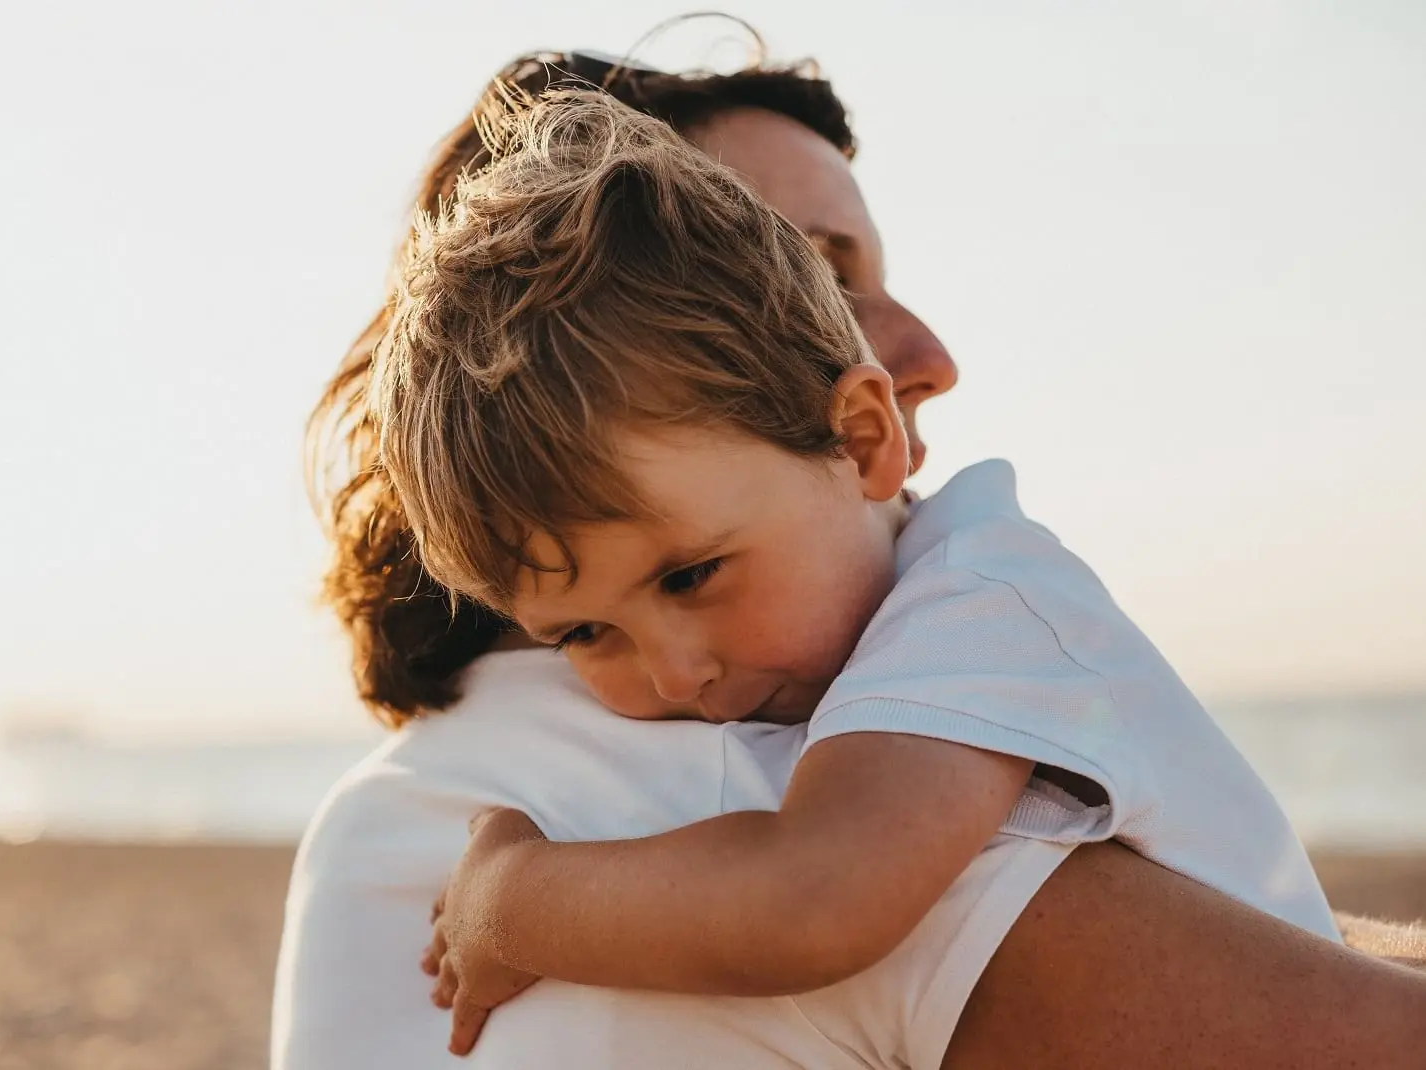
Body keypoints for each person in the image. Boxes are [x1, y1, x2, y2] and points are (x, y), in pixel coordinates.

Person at [274, 46, 1426, 1070]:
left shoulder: (417, 796)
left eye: (687, 577)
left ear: (858, 435)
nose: (932, 353)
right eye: (814, 276)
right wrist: (508, 893)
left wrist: (510, 892)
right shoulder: (723, 770)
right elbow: (812, 893)